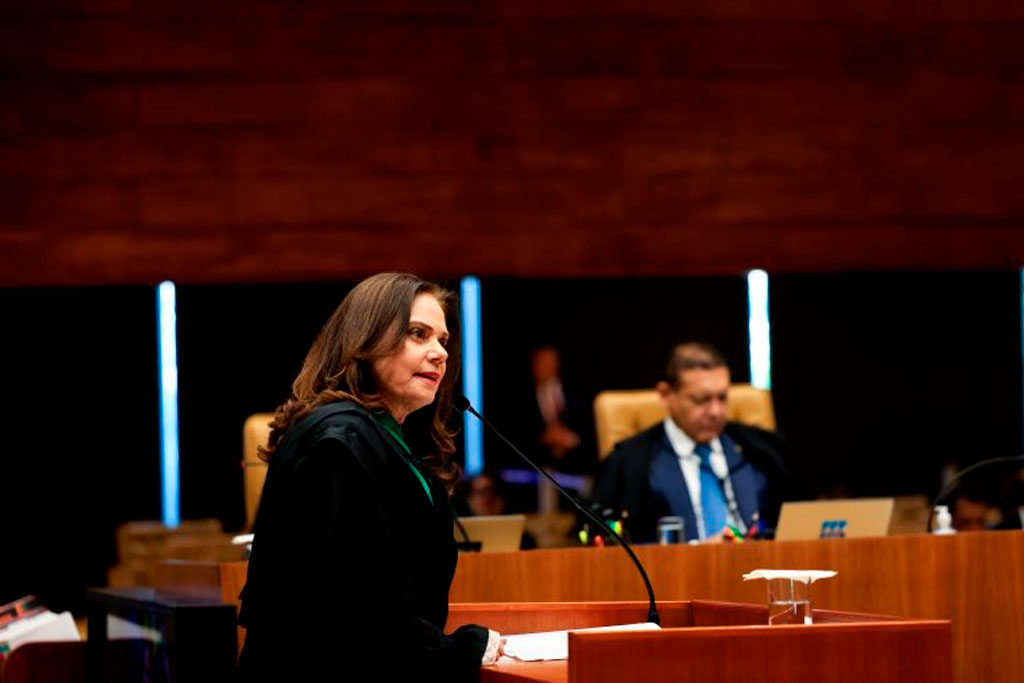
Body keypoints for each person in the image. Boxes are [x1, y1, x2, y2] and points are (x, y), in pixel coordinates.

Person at [236, 273, 500, 682]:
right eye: (418, 334)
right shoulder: (337, 442)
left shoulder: (384, 438)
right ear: (366, 339)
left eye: (443, 340)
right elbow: (352, 606)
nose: (439, 353)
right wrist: (461, 650)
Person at [594, 342, 792, 543]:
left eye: (722, 398)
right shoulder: (629, 461)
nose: (715, 412)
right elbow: (607, 544)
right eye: (701, 400)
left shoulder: (763, 450)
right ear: (666, 395)